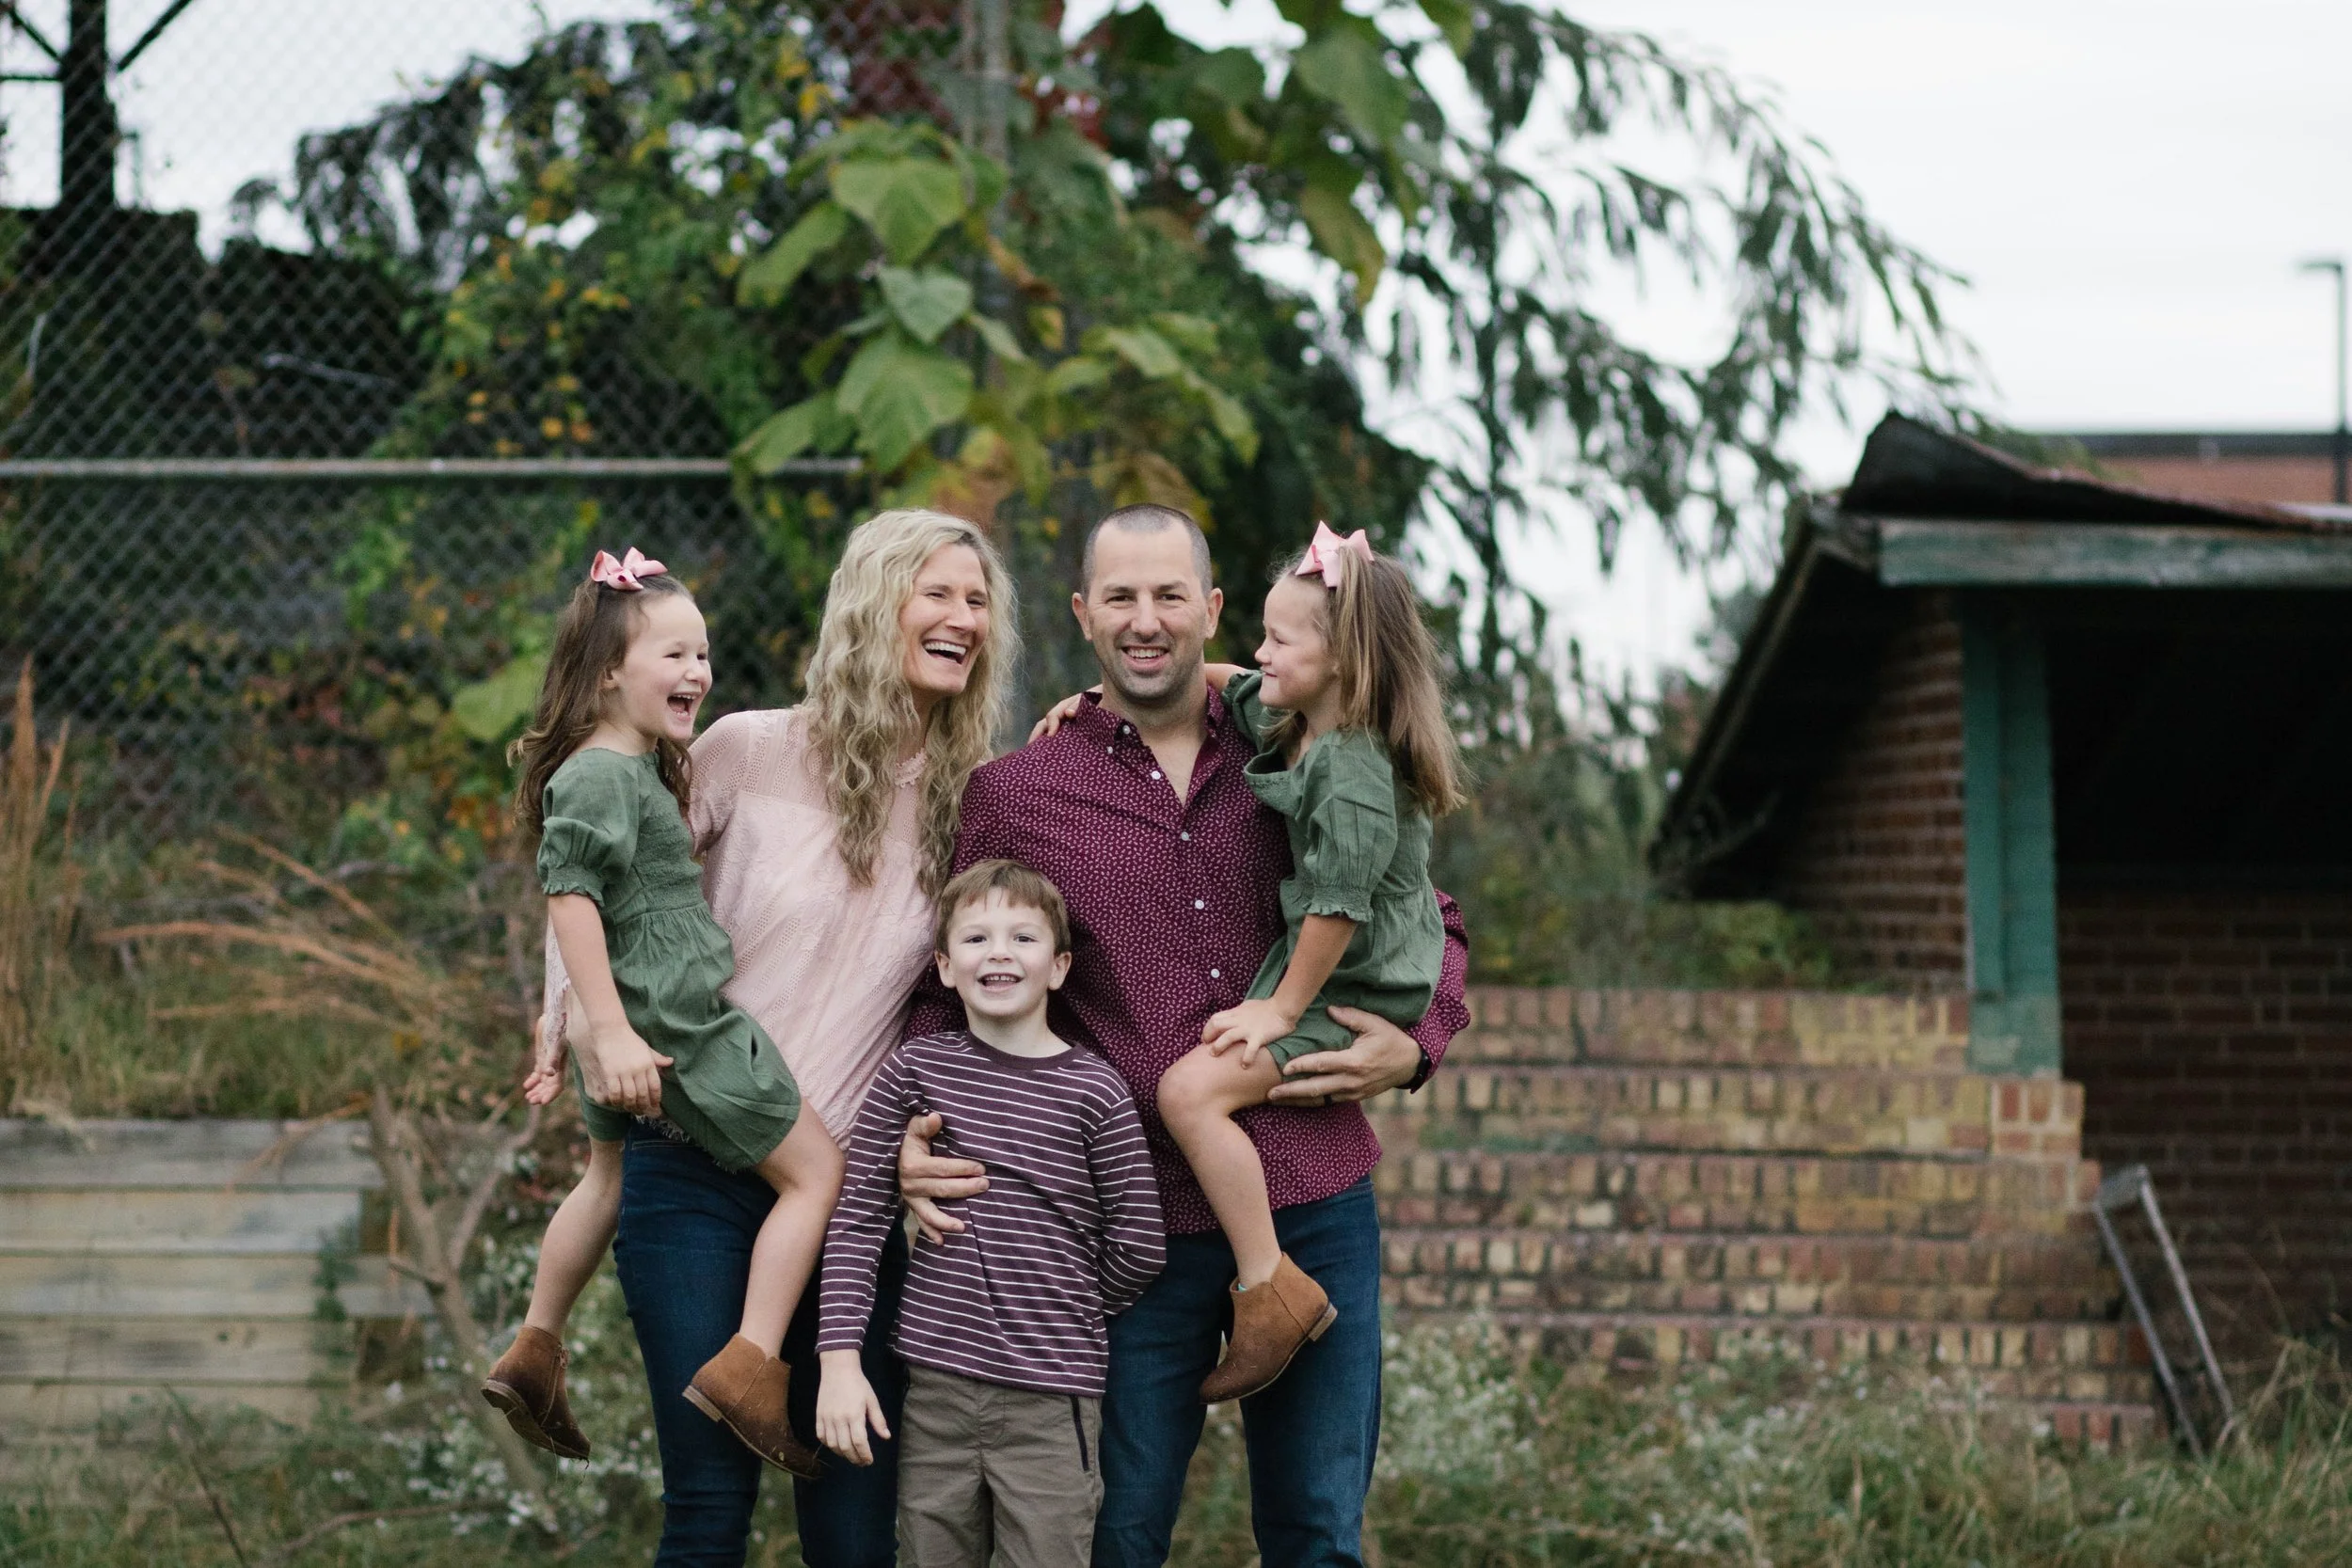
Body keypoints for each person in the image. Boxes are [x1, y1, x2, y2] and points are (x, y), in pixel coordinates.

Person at [898, 504, 1471, 1568]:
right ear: (1083, 613)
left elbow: (1422, 914)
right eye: (1119, 596)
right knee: (1115, 1535)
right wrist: (917, 1133)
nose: (1145, 619)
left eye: (1170, 595)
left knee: (1315, 1534)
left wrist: (1417, 1039)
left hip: (1315, 1197)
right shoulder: (1017, 794)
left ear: (1209, 611)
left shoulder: (1300, 740)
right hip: (1129, 1220)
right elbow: (949, 992)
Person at [532, 511, 1019, 1566]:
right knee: (707, 1506)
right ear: (870, 603)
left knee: (854, 1525)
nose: (960, 616)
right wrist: (572, 1018)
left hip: (847, 1201)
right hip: (695, 1168)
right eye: (934, 591)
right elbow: (591, 878)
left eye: (977, 599)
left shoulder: (974, 804)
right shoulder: (745, 750)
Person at [484, 546, 837, 1480]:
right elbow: (568, 893)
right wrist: (608, 1026)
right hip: (675, 1031)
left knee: (603, 1179)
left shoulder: (629, 765)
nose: (697, 674)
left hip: (635, 1032)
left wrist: (582, 1020)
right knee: (816, 1173)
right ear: (608, 673)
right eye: (673, 656)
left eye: (702, 655)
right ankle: (752, 1361)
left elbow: (582, 894)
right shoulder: (603, 774)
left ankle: (535, 1347)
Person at [1158, 522, 1463, 1402]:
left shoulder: (1356, 771)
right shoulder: (1299, 716)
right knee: (1198, 1088)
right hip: (1332, 960)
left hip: (1363, 977)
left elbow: (1336, 909)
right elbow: (1228, 680)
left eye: (1280, 637)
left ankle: (1271, 1290)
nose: (1259, 651)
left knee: (1190, 1090)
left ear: (1339, 656)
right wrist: (1090, 697)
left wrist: (1280, 1012)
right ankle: (1269, 1282)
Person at [815, 860, 1164, 1568]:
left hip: (1051, 1397)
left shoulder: (1095, 1090)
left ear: (1059, 966)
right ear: (944, 966)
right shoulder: (916, 1070)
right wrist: (839, 1357)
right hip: (936, 1391)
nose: (998, 951)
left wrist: (1063, 1304)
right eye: (975, 937)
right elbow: (858, 1218)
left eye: (1022, 937)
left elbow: (1139, 1244)